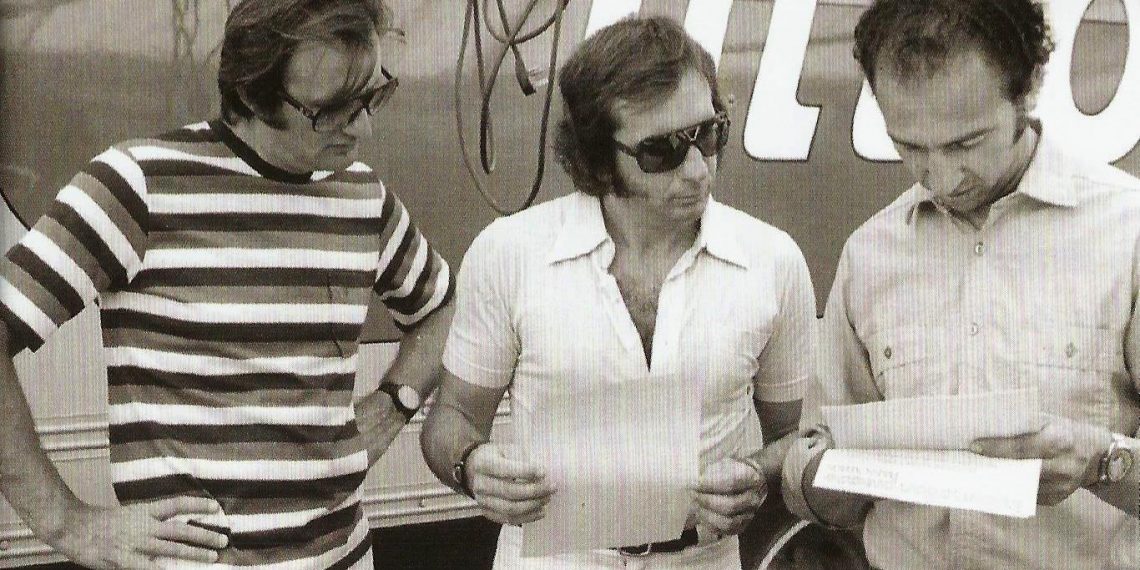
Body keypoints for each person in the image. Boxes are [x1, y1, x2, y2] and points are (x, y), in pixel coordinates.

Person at [0, 0, 454, 567]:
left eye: (370, 96)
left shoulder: (362, 196)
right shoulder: (139, 187)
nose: (363, 126)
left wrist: (395, 402)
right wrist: (66, 523)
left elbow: (442, 308)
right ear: (252, 96)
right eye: (331, 110)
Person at [420, 15, 816, 569]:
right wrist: (472, 465)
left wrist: (757, 474)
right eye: (661, 151)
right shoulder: (509, 254)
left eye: (709, 134)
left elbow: (798, 438)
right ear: (599, 158)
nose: (698, 170)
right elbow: (452, 419)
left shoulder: (773, 262)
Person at [781, 0, 1140, 568]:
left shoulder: (1128, 235)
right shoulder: (870, 254)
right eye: (910, 147)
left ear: (1029, 88)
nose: (942, 177)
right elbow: (818, 467)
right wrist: (815, 478)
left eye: (965, 143)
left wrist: (1102, 462)